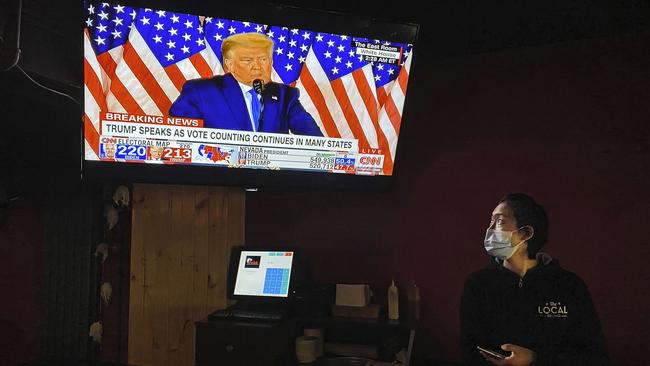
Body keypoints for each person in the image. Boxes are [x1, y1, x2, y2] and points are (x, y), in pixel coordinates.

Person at [460, 193, 610, 366]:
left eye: (500, 221)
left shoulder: (569, 285)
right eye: (491, 221)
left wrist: (535, 359)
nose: (490, 230)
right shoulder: (478, 284)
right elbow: (469, 353)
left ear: (526, 233)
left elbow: (595, 356)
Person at [169, 32, 323, 136]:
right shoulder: (200, 92)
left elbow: (315, 141)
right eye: (248, 60)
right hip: (216, 179)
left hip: (274, 181)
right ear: (229, 65)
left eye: (263, 59)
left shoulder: (286, 96)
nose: (258, 66)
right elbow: (180, 140)